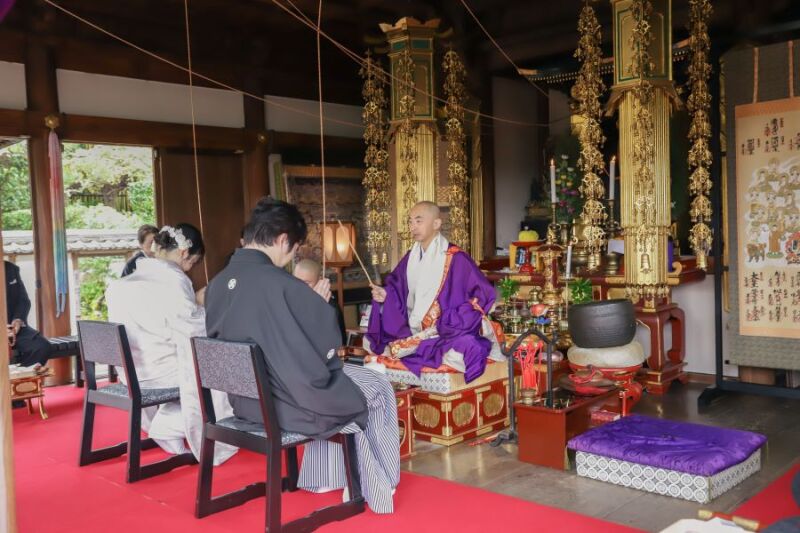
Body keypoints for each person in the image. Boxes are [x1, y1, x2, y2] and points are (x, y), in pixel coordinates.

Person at [205, 197, 399, 513]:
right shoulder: (282, 285)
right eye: (295, 249)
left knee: (334, 382)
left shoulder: (216, 284)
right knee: (377, 386)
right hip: (285, 406)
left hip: (245, 402)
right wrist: (319, 307)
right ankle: (378, 484)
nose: (293, 256)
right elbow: (324, 348)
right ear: (283, 239)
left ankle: (322, 477)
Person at [106, 223, 236, 465]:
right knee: (225, 371)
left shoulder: (125, 281)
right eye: (193, 263)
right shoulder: (174, 279)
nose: (190, 269)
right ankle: (169, 425)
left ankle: (168, 423)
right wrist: (210, 307)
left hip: (132, 370)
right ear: (185, 253)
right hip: (162, 372)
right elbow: (193, 329)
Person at [366, 201, 502, 382]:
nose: (412, 226)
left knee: (464, 349)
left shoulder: (455, 257)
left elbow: (483, 295)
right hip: (414, 328)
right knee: (369, 343)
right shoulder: (411, 257)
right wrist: (385, 295)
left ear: (436, 224)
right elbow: (396, 287)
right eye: (410, 221)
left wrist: (454, 319)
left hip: (446, 329)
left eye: (418, 221)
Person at [5, 260, 51, 367]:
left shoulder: (10, 268)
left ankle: (21, 378)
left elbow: (23, 300)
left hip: (14, 329)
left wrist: (17, 320)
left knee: (42, 346)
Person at [293, 259, 347, 345]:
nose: (300, 287)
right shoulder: (291, 299)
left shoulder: (330, 306)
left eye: (307, 283)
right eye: (297, 281)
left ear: (320, 280)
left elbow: (335, 341)